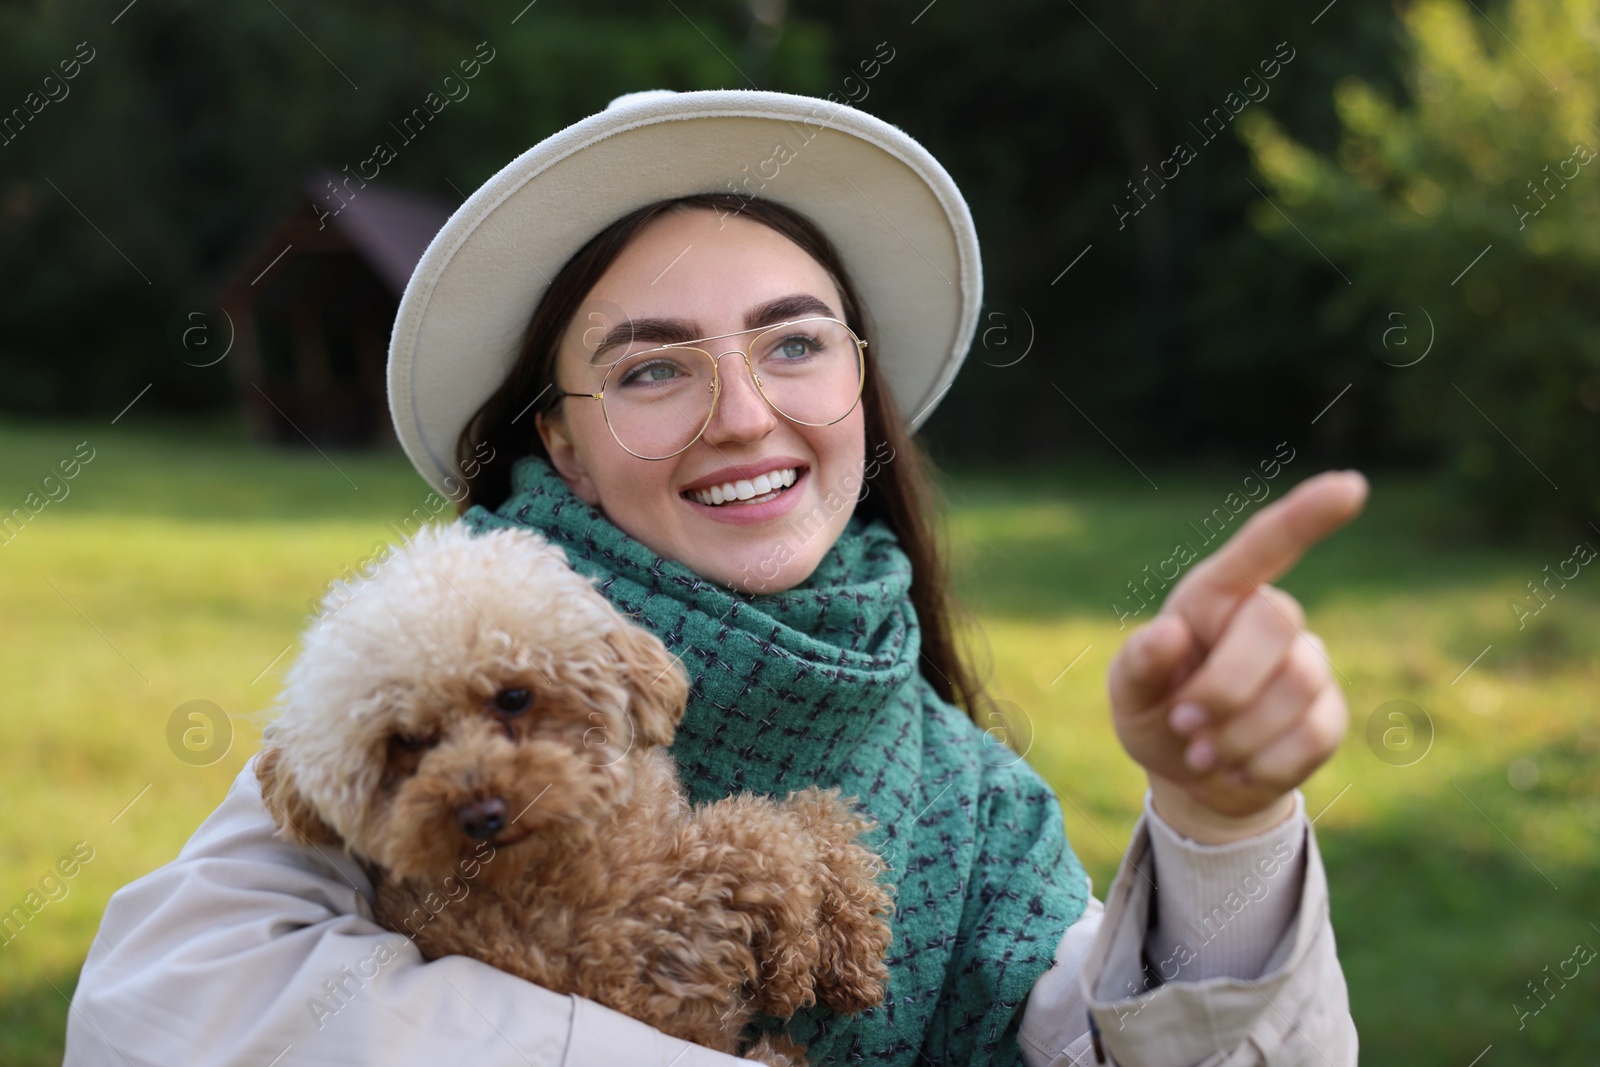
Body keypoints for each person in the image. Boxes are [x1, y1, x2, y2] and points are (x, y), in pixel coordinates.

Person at [65, 89, 1362, 1066]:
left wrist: (1218, 823)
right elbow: (164, 1011)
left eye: (793, 343)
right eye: (650, 367)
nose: (743, 415)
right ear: (560, 443)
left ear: (860, 384)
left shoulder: (977, 810)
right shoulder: (428, 666)